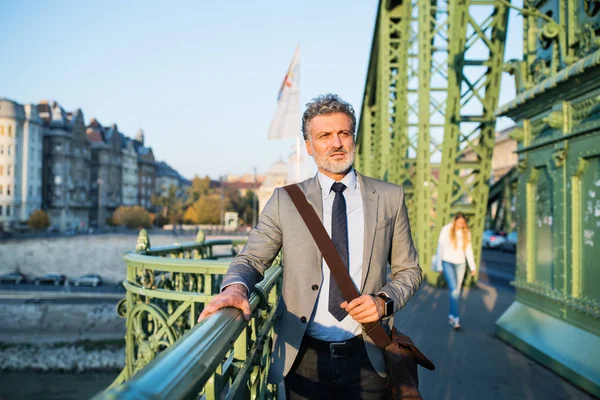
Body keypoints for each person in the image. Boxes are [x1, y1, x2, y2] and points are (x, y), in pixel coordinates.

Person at [199, 94, 422, 399]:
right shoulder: (286, 201)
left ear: (353, 138)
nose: (336, 143)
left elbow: (408, 270)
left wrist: (384, 301)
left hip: (369, 354)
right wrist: (235, 288)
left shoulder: (389, 197)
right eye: (324, 136)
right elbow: (251, 259)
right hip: (303, 357)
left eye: (343, 133)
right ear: (309, 146)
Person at [435, 212, 477, 330]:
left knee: (456, 291)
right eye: (459, 222)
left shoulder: (466, 232)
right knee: (454, 290)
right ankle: (456, 319)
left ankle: (451, 315)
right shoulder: (446, 229)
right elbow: (440, 247)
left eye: (463, 223)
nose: (461, 225)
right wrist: (439, 265)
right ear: (455, 221)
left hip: (461, 263)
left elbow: (468, 250)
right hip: (447, 262)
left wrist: (472, 267)